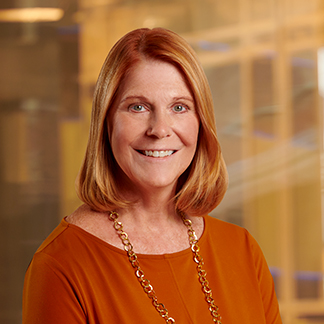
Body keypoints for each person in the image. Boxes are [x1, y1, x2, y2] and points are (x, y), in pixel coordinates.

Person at [22, 27, 282, 324]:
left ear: (201, 123)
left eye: (179, 107)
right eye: (138, 107)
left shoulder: (242, 250)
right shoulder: (62, 265)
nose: (159, 129)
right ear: (107, 122)